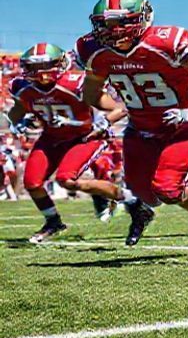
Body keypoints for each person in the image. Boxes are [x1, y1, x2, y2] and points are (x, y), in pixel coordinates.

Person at [77, 0, 188, 256]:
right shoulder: (93, 51)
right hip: (140, 127)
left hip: (183, 125)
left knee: (168, 189)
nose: (112, 31)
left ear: (142, 19)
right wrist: (113, 114)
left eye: (120, 22)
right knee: (145, 195)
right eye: (105, 24)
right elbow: (92, 95)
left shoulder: (166, 43)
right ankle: (150, 213)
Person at [6, 43, 141, 243]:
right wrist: (19, 122)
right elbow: (16, 112)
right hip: (52, 138)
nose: (41, 73)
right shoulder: (22, 87)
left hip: (84, 137)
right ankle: (53, 222)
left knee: (67, 179)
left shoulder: (76, 84)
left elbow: (120, 108)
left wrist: (102, 123)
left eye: (46, 65)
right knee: (32, 183)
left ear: (60, 63)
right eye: (34, 67)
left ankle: (131, 200)